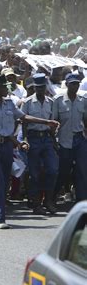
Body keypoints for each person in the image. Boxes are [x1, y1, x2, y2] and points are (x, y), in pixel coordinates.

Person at [0, 74, 59, 229]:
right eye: (3, 86)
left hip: (7, 146)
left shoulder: (9, 104)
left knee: (5, 181)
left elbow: (24, 117)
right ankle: (0, 219)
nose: (6, 89)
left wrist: (47, 122)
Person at [20, 73, 58, 215]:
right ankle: (36, 204)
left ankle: (48, 200)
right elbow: (24, 122)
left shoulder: (51, 102)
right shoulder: (28, 102)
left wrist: (54, 141)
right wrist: (24, 139)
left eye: (42, 87)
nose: (40, 89)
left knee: (53, 170)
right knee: (34, 173)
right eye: (38, 87)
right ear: (34, 88)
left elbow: (52, 123)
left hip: (47, 138)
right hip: (33, 137)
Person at [52, 73, 87, 202]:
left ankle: (81, 201)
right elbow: (53, 122)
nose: (75, 86)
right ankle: (52, 197)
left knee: (82, 170)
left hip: (79, 139)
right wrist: (53, 141)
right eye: (72, 84)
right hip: (64, 140)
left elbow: (86, 120)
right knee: (63, 171)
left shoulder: (83, 100)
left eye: (77, 84)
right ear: (66, 84)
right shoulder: (58, 100)